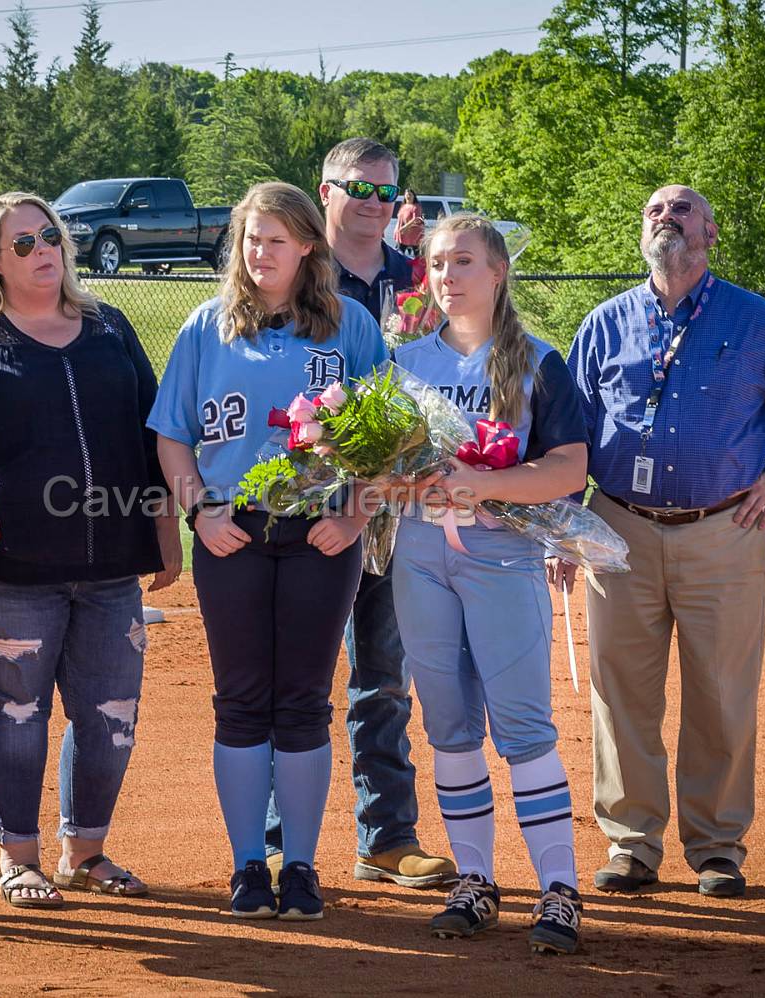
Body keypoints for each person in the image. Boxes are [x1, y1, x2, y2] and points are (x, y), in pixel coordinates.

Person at [553, 184, 765, 899]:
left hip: (724, 528)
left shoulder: (755, 321)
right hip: (617, 526)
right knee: (621, 696)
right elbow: (570, 435)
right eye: (654, 210)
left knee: (720, 692)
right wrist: (563, 526)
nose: (666, 218)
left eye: (682, 211)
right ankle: (631, 844)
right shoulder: (604, 323)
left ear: (710, 233)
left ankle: (717, 848)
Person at [148, 181, 386, 921]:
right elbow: (172, 434)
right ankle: (250, 864)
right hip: (233, 535)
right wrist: (200, 510)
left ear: (308, 244)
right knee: (242, 702)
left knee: (305, 704)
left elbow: (390, 437)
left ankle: (304, 866)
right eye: (251, 239)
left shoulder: (349, 325)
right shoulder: (204, 327)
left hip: (320, 534)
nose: (259, 253)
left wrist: (353, 516)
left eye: (275, 240)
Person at [0, 192, 182, 910]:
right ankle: (19, 859)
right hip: (11, 573)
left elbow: (154, 430)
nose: (42, 249)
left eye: (49, 235)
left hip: (111, 565)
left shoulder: (109, 326)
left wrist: (164, 527)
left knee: (110, 715)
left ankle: (86, 852)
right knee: (15, 718)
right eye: (22, 243)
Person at [391, 214, 590, 953]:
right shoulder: (404, 363)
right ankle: (474, 878)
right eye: (439, 263)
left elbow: (570, 468)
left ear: (499, 270)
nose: (449, 276)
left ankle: (559, 889)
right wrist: (387, 474)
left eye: (465, 262)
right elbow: (381, 471)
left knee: (523, 725)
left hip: (501, 555)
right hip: (419, 554)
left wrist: (485, 481)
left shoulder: (536, 360)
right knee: (447, 725)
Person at [269, 137, 455, 890]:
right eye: (359, 189)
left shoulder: (426, 279)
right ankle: (286, 838)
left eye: (387, 191)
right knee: (303, 676)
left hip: (401, 504)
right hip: (321, 504)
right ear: (326, 192)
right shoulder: (298, 281)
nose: (376, 203)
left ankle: (387, 837)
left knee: (384, 677)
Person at [395, 189, 425, 258]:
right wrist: (397, 230)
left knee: (418, 257)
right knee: (398, 254)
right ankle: (400, 267)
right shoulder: (403, 206)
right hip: (402, 235)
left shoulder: (416, 207)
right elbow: (400, 219)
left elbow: (416, 219)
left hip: (414, 236)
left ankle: (418, 268)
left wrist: (404, 227)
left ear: (414, 196)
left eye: (410, 194)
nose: (408, 196)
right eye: (407, 194)